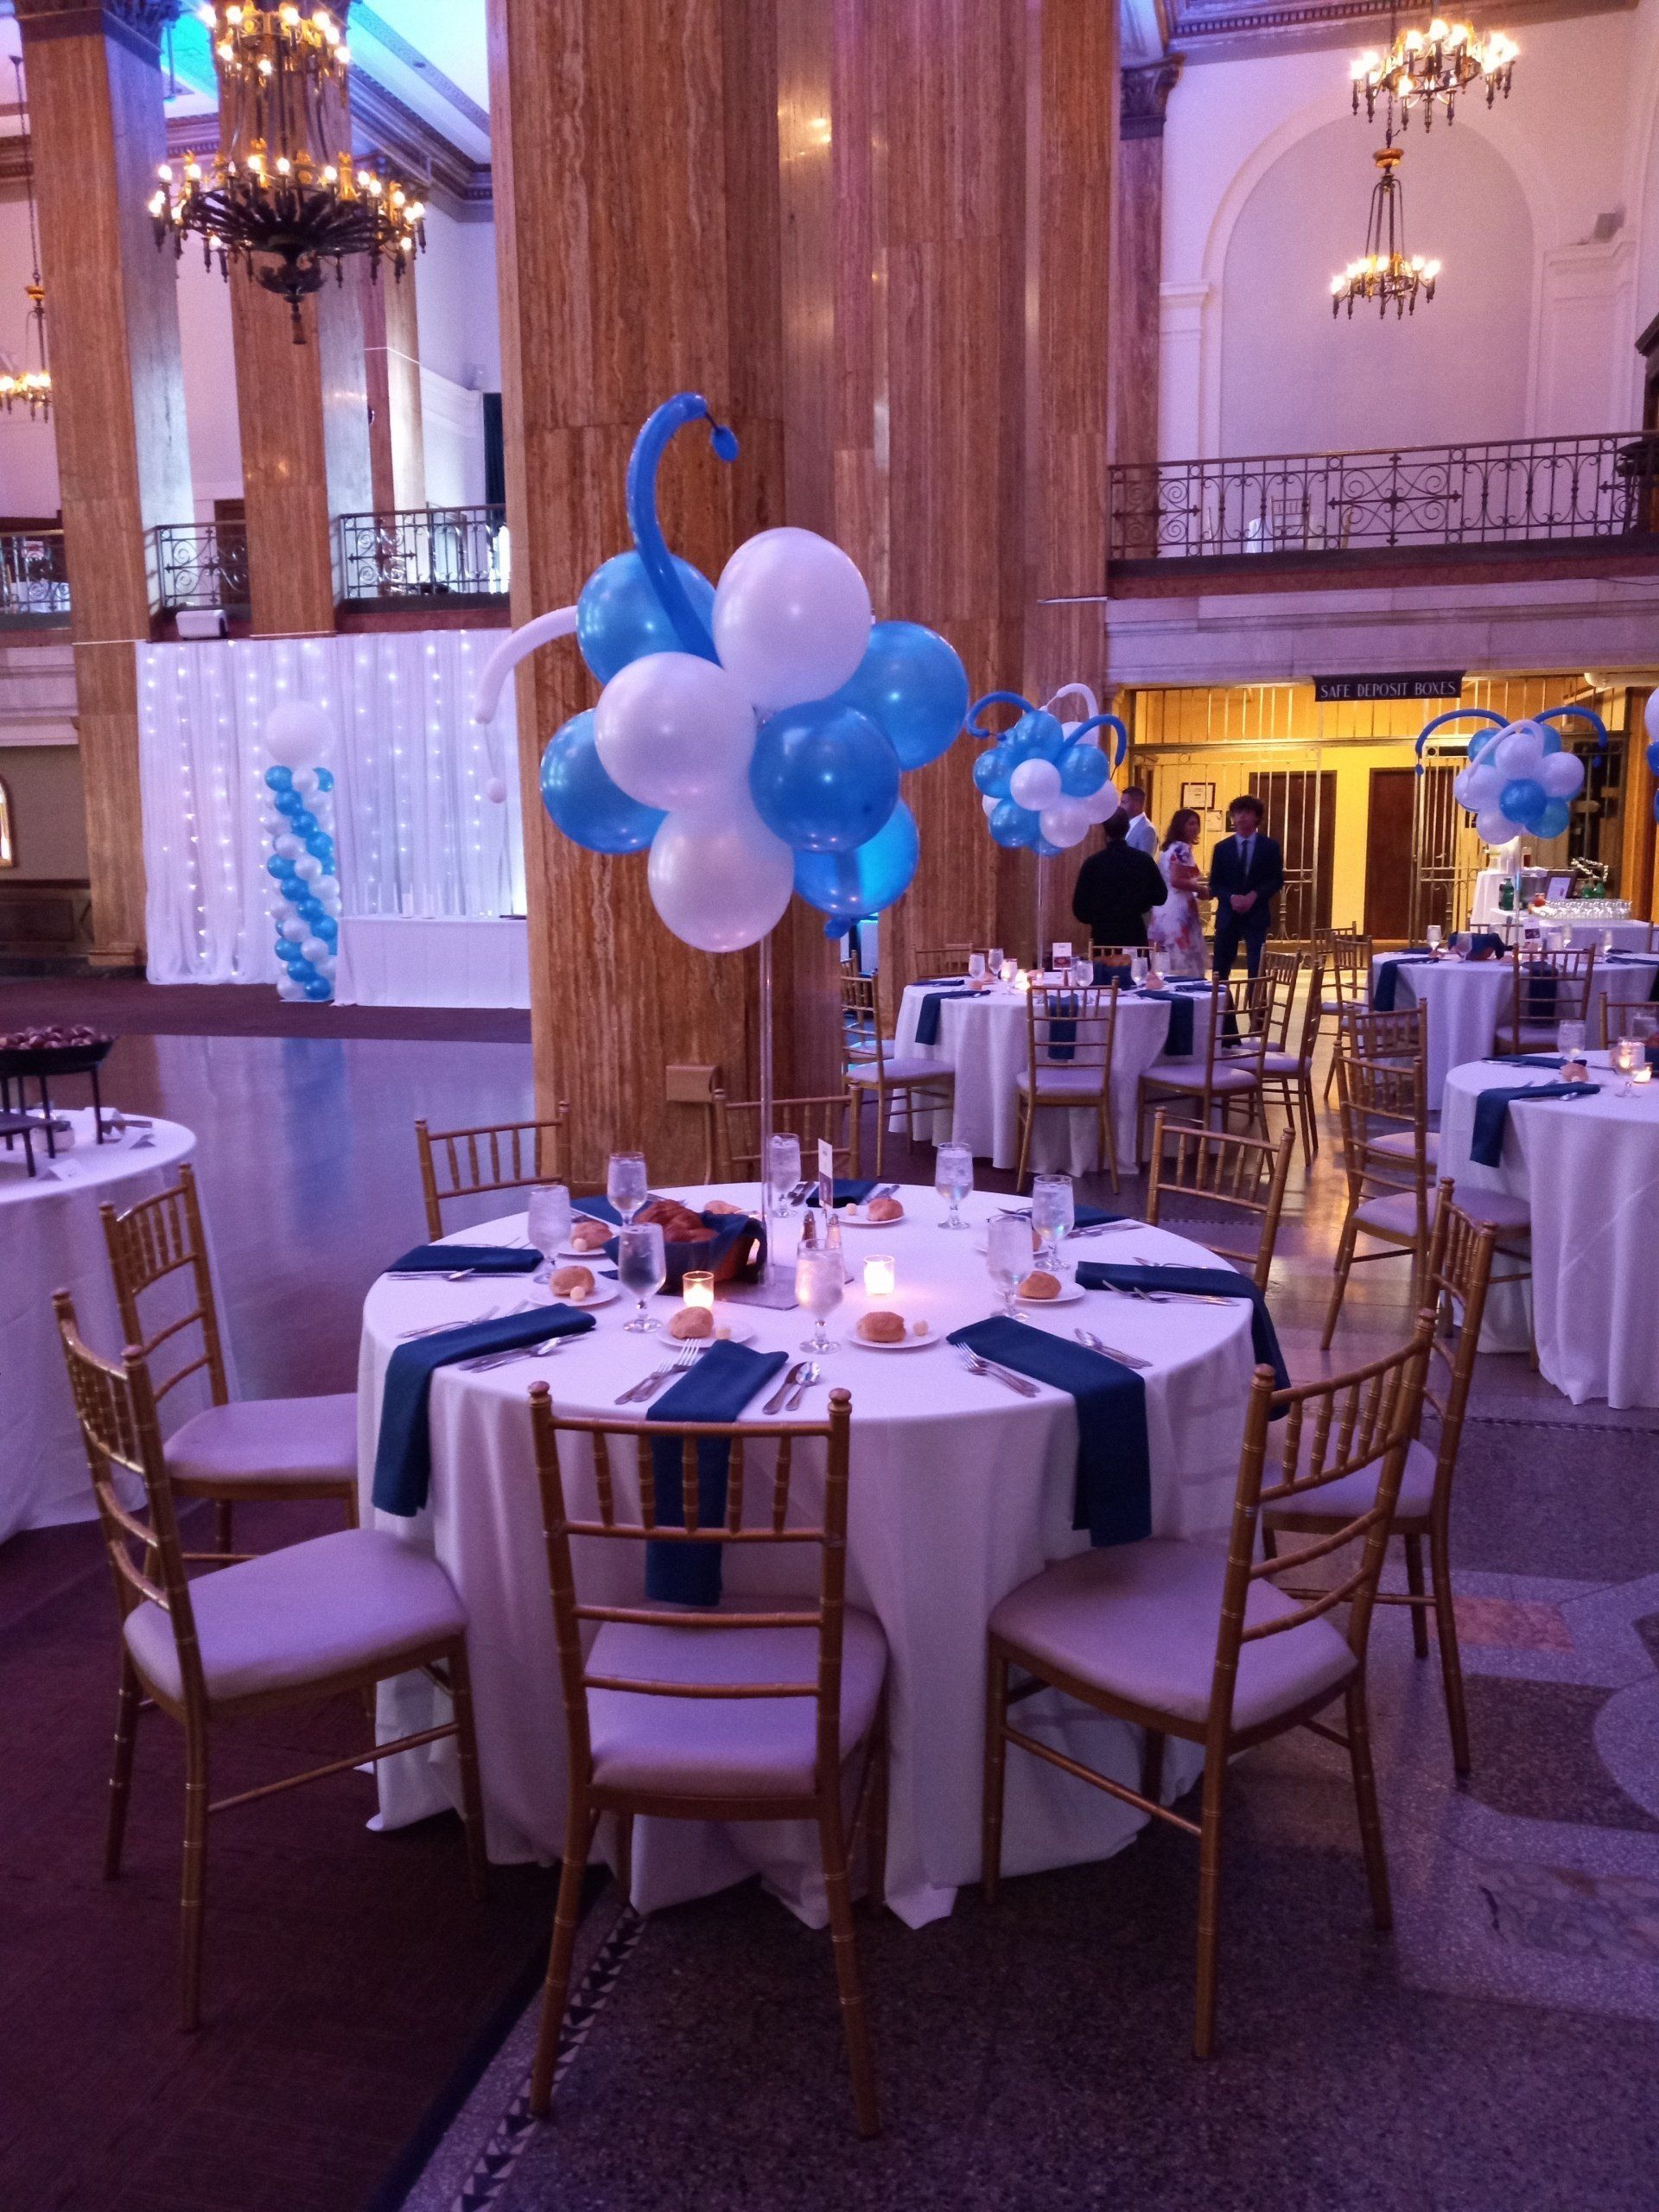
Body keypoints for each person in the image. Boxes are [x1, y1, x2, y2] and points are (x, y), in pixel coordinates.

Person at [1208, 794, 1284, 982]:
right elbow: (1215, 883)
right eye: (1237, 813)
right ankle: (1222, 1001)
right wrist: (1231, 897)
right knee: (1221, 967)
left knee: (1257, 967)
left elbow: (1276, 880)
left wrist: (1254, 895)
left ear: (1257, 816)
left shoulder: (1269, 847)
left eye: (1247, 812)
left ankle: (1256, 1001)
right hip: (1228, 914)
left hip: (1256, 913)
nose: (1241, 817)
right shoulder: (1222, 848)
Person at [1071, 809, 1166, 950]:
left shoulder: (1093, 864)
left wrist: (1099, 916)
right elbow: (1160, 897)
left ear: (1104, 831)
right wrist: (1140, 903)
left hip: (1103, 936)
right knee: (1136, 966)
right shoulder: (1143, 860)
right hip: (1134, 933)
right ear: (1127, 828)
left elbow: (1080, 910)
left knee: (1105, 965)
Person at [1147, 808, 1211, 977]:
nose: (1195, 827)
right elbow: (1177, 880)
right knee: (1181, 959)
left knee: (1163, 958)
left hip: (1163, 907)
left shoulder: (1168, 848)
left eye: (1197, 823)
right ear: (1180, 826)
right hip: (1179, 909)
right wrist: (1201, 889)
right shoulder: (1182, 849)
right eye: (1191, 823)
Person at [1120, 785, 1159, 856]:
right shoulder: (1124, 825)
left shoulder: (1147, 830)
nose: (1120, 806)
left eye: (1123, 802)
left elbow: (1145, 859)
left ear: (1137, 806)